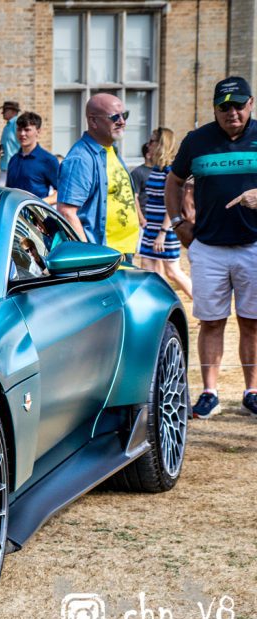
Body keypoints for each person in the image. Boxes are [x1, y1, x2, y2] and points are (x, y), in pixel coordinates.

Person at [165, 76, 257, 419]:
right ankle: (209, 392)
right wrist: (178, 224)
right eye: (224, 106)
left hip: (253, 246)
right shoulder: (197, 141)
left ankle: (252, 391)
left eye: (238, 104)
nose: (231, 112)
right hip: (209, 248)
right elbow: (173, 182)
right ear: (215, 109)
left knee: (251, 322)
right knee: (212, 322)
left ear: (250, 104)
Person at [56, 93, 141, 260]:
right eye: (114, 117)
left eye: (124, 115)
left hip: (122, 252)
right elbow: (67, 212)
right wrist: (92, 257)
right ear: (93, 121)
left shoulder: (110, 150)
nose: (122, 121)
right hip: (103, 256)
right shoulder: (81, 158)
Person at [138, 127, 192, 299]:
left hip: (164, 229)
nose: (149, 145)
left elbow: (172, 202)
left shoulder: (169, 171)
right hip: (151, 226)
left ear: (161, 144)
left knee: (173, 271)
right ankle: (161, 302)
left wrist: (162, 232)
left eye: (152, 141)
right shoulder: (157, 168)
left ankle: (202, 304)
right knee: (148, 267)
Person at [5, 112, 60, 204]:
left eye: (27, 130)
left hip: (36, 217)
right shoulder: (13, 159)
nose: (22, 134)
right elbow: (8, 190)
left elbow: (62, 193)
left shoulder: (48, 160)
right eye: (19, 129)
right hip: (12, 215)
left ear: (38, 131)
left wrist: (37, 204)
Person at [0, 100, 20, 185]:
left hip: (14, 166)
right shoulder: (7, 126)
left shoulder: (17, 124)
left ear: (13, 111)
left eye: (5, 110)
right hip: (5, 166)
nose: (2, 113)